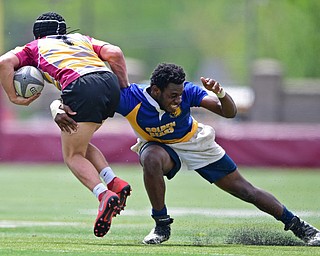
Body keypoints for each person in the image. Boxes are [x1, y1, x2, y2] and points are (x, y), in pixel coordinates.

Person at [51, 63, 320, 246]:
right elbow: (85, 100)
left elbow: (229, 113)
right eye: (172, 95)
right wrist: (56, 108)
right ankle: (161, 224)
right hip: (158, 146)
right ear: (155, 91)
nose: (178, 100)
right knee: (150, 158)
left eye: (180, 95)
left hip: (194, 141)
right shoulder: (130, 98)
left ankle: (299, 226)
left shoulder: (187, 91)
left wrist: (221, 93)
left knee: (246, 191)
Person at [0, 12, 131, 238]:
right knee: (79, 140)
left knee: (72, 155)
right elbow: (115, 53)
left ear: (37, 34)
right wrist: (123, 89)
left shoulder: (34, 47)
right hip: (107, 82)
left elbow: (4, 63)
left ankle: (103, 195)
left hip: (80, 85)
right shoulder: (81, 39)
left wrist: (13, 97)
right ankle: (113, 181)